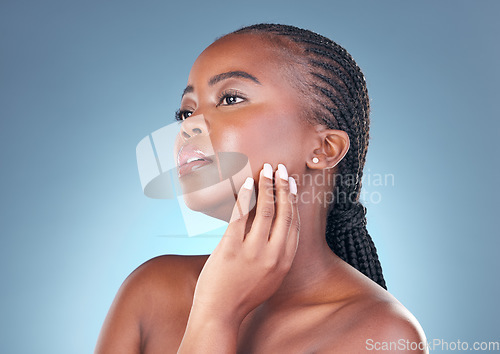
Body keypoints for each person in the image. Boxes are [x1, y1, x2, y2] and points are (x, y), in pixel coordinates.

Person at [95, 23, 427, 353]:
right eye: (186, 112)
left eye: (229, 98)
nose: (189, 126)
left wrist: (217, 316)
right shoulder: (151, 289)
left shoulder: (382, 336)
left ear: (325, 148)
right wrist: (213, 309)